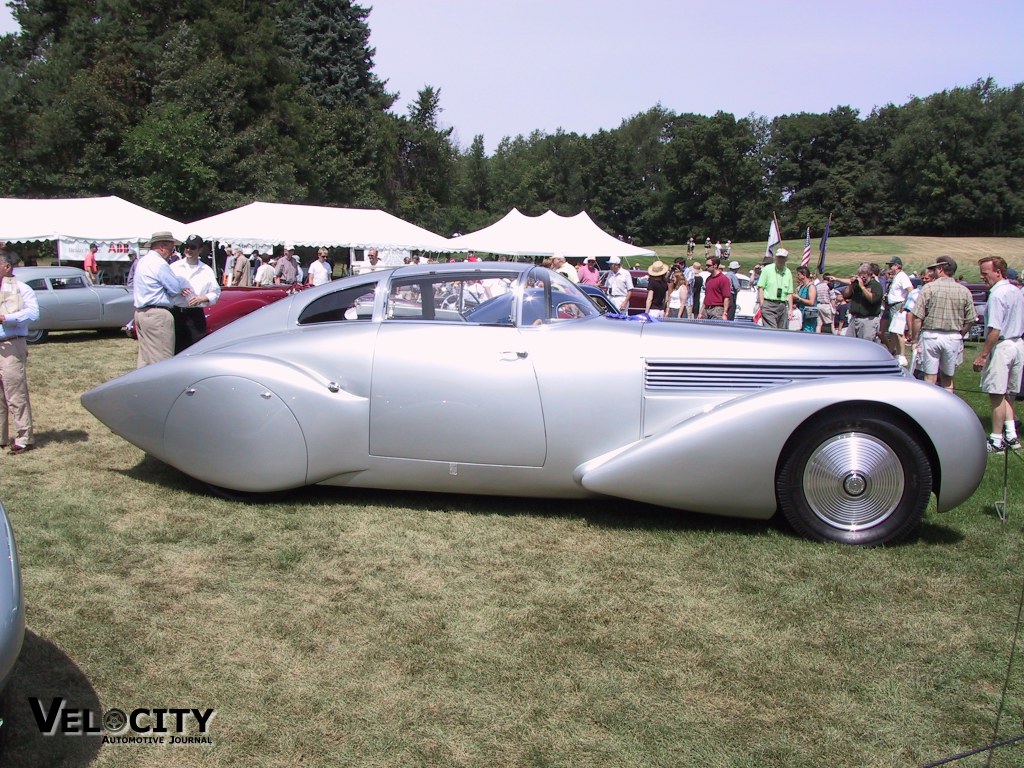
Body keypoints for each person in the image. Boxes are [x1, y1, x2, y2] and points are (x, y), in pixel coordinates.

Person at [971, 256, 1024, 452]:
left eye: (985, 273)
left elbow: (995, 329)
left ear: (998, 272)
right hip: (1018, 344)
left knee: (997, 394)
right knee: (1009, 393)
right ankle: (1011, 435)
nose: (982, 277)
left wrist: (983, 355)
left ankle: (996, 438)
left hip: (1003, 346)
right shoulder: (1016, 291)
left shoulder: (997, 295)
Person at [908, 255, 975, 392]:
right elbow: (970, 319)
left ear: (940, 269)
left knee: (929, 378)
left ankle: (930, 409)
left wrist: (914, 339)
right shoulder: (964, 290)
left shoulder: (928, 288)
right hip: (953, 337)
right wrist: (961, 334)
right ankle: (948, 410)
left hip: (931, 336)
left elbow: (917, 318)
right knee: (947, 378)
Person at [133, 231, 192, 368]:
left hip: (141, 313)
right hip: (157, 315)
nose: (172, 253)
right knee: (162, 361)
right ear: (162, 247)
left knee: (145, 359)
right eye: (172, 249)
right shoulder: (159, 263)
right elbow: (174, 288)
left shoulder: (143, 261)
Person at [0, 251, 39, 453]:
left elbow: (34, 313)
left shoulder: (22, 289)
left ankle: (24, 437)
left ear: (7, 267)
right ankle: (2, 437)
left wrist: (7, 318)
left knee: (15, 392)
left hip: (11, 343)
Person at [170, 235, 221, 353]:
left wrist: (203, 298)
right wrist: (178, 290)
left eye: (192, 247)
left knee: (196, 349)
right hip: (176, 313)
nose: (188, 250)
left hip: (195, 316)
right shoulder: (174, 267)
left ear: (200, 249)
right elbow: (166, 287)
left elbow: (216, 292)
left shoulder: (206, 270)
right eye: (186, 247)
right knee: (175, 349)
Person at [832, 262, 883, 341]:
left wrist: (862, 287)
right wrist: (851, 284)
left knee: (866, 344)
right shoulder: (856, 285)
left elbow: (872, 299)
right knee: (850, 342)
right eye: (860, 275)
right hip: (855, 318)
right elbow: (845, 295)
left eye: (864, 275)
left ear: (870, 274)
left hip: (868, 320)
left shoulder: (876, 285)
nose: (862, 277)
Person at [885, 256, 914, 365]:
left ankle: (902, 355)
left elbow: (910, 290)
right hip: (893, 305)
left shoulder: (902, 276)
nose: (889, 267)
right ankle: (891, 352)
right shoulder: (896, 276)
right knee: (892, 331)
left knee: (898, 331)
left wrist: (904, 304)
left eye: (891, 265)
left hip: (898, 305)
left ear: (897, 266)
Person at [757, 248, 794, 329]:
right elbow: (761, 287)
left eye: (783, 258)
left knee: (782, 331)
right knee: (772, 330)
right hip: (769, 304)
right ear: (775, 258)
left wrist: (790, 309)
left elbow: (790, 293)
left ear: (786, 259)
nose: (781, 260)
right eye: (779, 257)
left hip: (782, 306)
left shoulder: (788, 272)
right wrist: (762, 303)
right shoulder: (767, 269)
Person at [791, 266, 818, 332]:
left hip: (809, 315)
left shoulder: (811, 287)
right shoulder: (801, 287)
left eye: (798, 274)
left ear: (804, 275)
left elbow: (811, 302)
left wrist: (799, 298)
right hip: (801, 315)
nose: (797, 276)